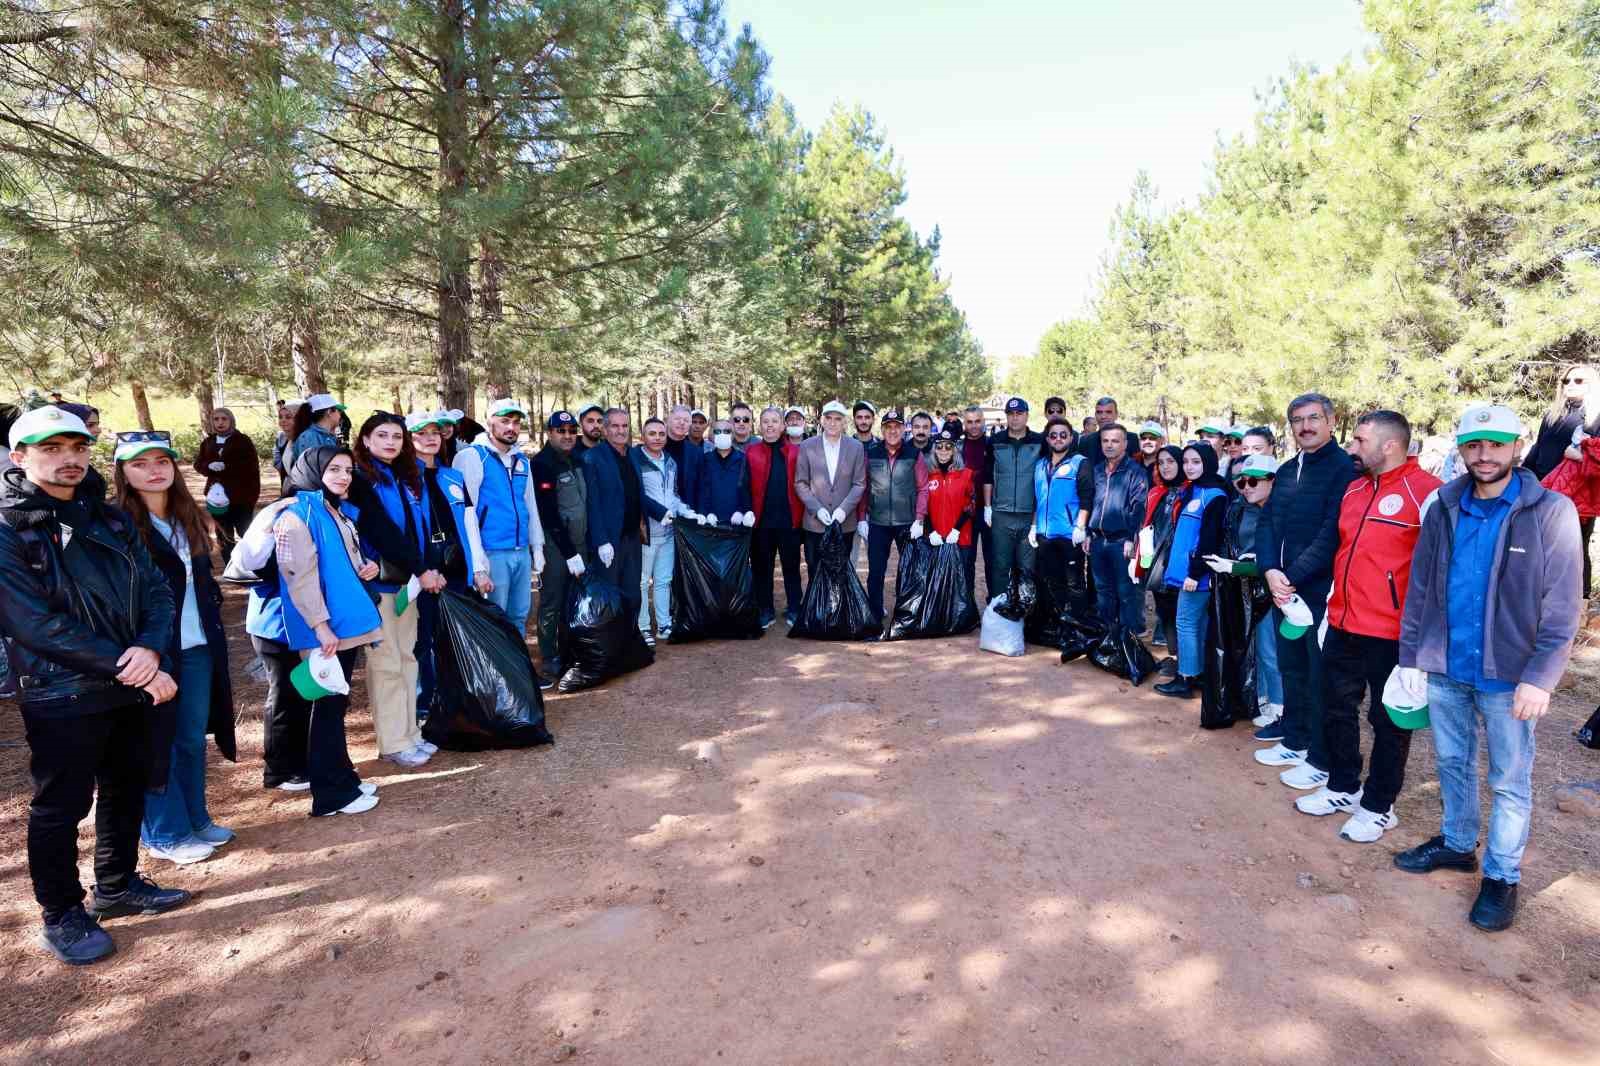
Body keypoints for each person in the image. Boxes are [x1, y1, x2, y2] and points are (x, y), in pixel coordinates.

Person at [0, 407, 188, 966]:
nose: (68, 459)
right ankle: (60, 911)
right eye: (51, 449)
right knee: (61, 804)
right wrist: (133, 666)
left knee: (126, 784)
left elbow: (157, 588)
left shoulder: (107, 516)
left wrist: (150, 650)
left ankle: (117, 883)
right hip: (60, 689)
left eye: (77, 448)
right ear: (20, 458)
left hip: (127, 679)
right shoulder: (10, 527)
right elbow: (31, 622)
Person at [1393, 403, 1582, 932]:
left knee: (1509, 780)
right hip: (1447, 665)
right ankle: (1457, 844)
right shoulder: (1444, 506)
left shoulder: (1550, 511)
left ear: (1516, 447)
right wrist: (1412, 656)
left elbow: (1563, 604)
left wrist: (1541, 677)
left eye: (1495, 445)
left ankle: (1501, 876)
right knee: (1452, 763)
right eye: (1474, 445)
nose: (1484, 455)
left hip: (1510, 675)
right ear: (1461, 449)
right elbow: (1422, 586)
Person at [1290, 411, 1442, 834]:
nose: (1351, 448)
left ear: (1390, 445)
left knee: (1387, 721)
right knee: (1336, 709)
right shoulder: (1354, 489)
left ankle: (1378, 805)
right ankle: (1343, 784)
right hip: (1342, 623)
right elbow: (1339, 550)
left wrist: (1423, 641)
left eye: (1359, 441)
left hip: (1393, 634)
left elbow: (1439, 571)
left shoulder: (1428, 493)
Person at [113, 433, 239, 866]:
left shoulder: (188, 517)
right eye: (140, 463)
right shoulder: (118, 524)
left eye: (161, 461)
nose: (154, 470)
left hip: (198, 644)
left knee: (189, 738)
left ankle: (196, 818)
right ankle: (164, 831)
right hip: (153, 652)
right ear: (123, 473)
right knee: (157, 741)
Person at [271, 445, 384, 817]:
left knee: (336, 705)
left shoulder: (330, 509)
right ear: (311, 470)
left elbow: (338, 561)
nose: (343, 476)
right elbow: (298, 577)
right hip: (324, 629)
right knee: (325, 709)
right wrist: (320, 626)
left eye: (348, 470)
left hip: (342, 624)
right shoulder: (296, 515)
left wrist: (365, 566)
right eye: (334, 469)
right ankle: (331, 793)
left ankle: (343, 778)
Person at [1253, 393, 1357, 772]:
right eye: (1298, 420)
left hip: (1317, 592)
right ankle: (1294, 738)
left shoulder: (1343, 469)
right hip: (1283, 593)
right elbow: (1267, 523)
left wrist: (1291, 577)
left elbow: (1332, 533)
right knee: (1291, 666)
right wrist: (1269, 569)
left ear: (1331, 421)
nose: (1306, 426)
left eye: (1314, 418)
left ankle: (1317, 751)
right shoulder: (1285, 470)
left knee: (1317, 674)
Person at [352, 413, 442, 769]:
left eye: (397, 436)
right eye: (382, 435)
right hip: (381, 584)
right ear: (366, 440)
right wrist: (421, 568)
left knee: (407, 658)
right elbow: (382, 531)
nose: (390, 442)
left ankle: (409, 732)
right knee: (386, 663)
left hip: (408, 583)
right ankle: (392, 740)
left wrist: (425, 568)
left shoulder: (403, 476)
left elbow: (418, 526)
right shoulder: (361, 478)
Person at [409, 411, 493, 711]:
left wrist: (479, 569)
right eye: (421, 433)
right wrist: (423, 570)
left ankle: (455, 699)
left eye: (435, 432)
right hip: (423, 577)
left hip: (456, 573)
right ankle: (424, 703)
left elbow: (470, 525)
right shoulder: (403, 480)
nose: (430, 438)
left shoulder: (451, 477)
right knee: (423, 642)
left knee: (453, 639)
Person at [452, 398, 547, 636]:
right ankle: (495, 673)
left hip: (520, 551)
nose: (511, 427)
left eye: (515, 422)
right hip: (491, 552)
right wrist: (476, 562)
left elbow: (530, 506)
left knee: (519, 615)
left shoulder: (522, 460)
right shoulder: (473, 456)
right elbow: (466, 513)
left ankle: (517, 670)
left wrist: (537, 547)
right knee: (494, 617)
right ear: (489, 422)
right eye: (504, 421)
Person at [1155, 443, 1230, 698]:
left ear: (1208, 462)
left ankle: (1185, 679)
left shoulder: (1215, 495)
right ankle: (1194, 673)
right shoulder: (1194, 491)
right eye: (1186, 461)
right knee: (1193, 625)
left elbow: (1210, 540)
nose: (1189, 467)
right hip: (1185, 573)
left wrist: (1195, 574)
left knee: (1186, 623)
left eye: (1196, 462)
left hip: (1197, 577)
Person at [1216, 453, 1285, 728]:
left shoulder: (1282, 512)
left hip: (1273, 592)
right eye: (1241, 482)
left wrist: (1237, 568)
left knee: (1270, 650)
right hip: (1246, 591)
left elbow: (1277, 559)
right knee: (1254, 647)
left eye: (1253, 481)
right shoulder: (1241, 508)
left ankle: (1280, 707)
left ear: (1273, 481)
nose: (1246, 487)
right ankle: (1264, 698)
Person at [1523, 363, 1600, 596]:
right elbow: (1538, 448)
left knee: (1574, 548)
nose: (1570, 385)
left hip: (1576, 495)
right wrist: (1522, 477)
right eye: (1566, 381)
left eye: (1578, 380)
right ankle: (1543, 601)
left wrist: (1576, 455)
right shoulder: (1553, 414)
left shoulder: (1595, 417)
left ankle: (1581, 604)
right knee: (1539, 546)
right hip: (1542, 488)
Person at [530, 411, 587, 682]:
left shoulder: (577, 458)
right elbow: (548, 514)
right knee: (552, 600)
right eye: (560, 431)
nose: (567, 436)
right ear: (550, 433)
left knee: (572, 599)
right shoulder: (542, 463)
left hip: (580, 543)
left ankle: (570, 649)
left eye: (570, 431)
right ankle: (550, 656)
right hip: (556, 547)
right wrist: (569, 552)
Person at [1081, 423, 1150, 636]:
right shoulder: (1097, 470)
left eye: (1115, 441)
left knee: (1127, 591)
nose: (1109, 445)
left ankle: (1132, 637)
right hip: (1098, 540)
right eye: (1105, 441)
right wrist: (1088, 533)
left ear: (1125, 444)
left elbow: (1138, 507)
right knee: (1103, 591)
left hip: (1122, 541)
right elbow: (1091, 502)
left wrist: (1131, 538)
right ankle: (1108, 636)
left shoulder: (1135, 472)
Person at [860, 410, 926, 624]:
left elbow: (923, 488)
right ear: (883, 430)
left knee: (909, 570)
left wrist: (919, 518)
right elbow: (863, 487)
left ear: (903, 429)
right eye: (888, 427)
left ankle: (907, 615)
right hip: (878, 523)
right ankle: (875, 615)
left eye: (897, 426)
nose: (893, 431)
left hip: (907, 522)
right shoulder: (871, 453)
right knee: (876, 571)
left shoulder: (913, 454)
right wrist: (862, 518)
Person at [633, 417, 695, 644]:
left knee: (664, 580)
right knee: (641, 581)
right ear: (643, 436)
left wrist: (684, 510)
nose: (657, 438)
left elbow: (673, 494)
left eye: (661, 434)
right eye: (652, 433)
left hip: (668, 533)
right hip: (646, 533)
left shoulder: (670, 461)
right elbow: (638, 497)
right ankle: (642, 627)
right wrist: (660, 512)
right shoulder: (634, 459)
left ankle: (664, 623)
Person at [584, 407, 648, 618]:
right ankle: (610, 644)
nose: (621, 431)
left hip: (632, 537)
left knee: (632, 593)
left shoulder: (633, 454)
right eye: (615, 426)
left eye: (625, 426)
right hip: (610, 540)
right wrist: (601, 541)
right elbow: (592, 503)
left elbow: (638, 494)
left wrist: (663, 512)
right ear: (605, 428)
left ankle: (630, 641)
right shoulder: (593, 457)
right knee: (609, 594)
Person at [1027, 417, 1088, 619]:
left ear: (1071, 437)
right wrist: (1034, 526)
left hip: (1070, 534)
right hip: (1046, 534)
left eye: (1063, 435)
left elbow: (1087, 497)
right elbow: (1038, 499)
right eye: (1053, 435)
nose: (1058, 438)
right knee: (1053, 582)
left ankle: (1079, 628)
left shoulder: (1080, 462)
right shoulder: (1040, 465)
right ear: (1047, 439)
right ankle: (1061, 625)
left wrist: (1080, 526)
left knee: (1074, 584)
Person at [794, 401, 867, 570]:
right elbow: (800, 482)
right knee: (815, 572)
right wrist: (817, 509)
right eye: (828, 418)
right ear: (822, 420)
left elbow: (859, 483)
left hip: (845, 523)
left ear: (844, 422)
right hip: (815, 524)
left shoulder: (856, 447)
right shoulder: (807, 446)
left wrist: (843, 510)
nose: (833, 422)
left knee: (841, 575)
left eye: (838, 419)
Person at [749, 407, 805, 628]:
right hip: (761, 523)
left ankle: (794, 608)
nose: (770, 425)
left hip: (789, 521)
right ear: (760, 426)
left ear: (783, 426)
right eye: (765, 422)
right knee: (762, 568)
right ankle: (765, 610)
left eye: (774, 421)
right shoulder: (752, 452)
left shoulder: (795, 452)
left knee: (791, 567)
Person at [1135, 445, 1187, 666]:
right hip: (1156, 562)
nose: (1165, 467)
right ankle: (1175, 657)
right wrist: (1143, 560)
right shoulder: (1157, 492)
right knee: (1164, 611)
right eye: (1161, 462)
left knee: (1181, 615)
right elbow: (1148, 527)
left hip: (1179, 563)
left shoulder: (1189, 492)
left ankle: (1187, 663)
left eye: (1171, 462)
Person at [985, 397, 1044, 589]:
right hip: (1001, 514)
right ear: (1006, 417)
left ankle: (1025, 614)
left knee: (1027, 568)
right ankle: (999, 612)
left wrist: (1037, 518)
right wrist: (987, 507)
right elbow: (988, 476)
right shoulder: (995, 441)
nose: (1015, 418)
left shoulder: (1039, 441)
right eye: (1011, 414)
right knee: (1001, 566)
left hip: (1028, 514)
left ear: (1027, 415)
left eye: (1019, 414)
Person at [193, 407, 261, 563]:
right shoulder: (208, 442)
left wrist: (227, 467)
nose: (220, 422)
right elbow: (198, 463)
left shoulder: (243, 440)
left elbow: (250, 466)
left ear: (231, 421)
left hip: (241, 496)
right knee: (223, 533)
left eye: (224, 419)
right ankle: (230, 564)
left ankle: (252, 564)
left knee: (245, 531)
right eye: (216, 419)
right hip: (216, 497)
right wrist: (209, 466)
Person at [917, 428, 978, 566]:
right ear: (934, 449)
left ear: (954, 451)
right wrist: (931, 531)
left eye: (948, 447)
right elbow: (922, 505)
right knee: (935, 583)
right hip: (934, 538)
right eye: (939, 447)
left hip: (959, 538)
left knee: (960, 582)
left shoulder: (966, 474)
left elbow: (971, 505)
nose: (943, 450)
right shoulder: (927, 475)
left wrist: (956, 530)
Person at [958, 405, 993, 596]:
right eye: (969, 422)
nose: (973, 426)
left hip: (990, 512)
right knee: (966, 560)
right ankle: (968, 605)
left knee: (992, 560)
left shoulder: (993, 444)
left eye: (977, 421)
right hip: (966, 514)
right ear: (964, 423)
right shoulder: (957, 447)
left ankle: (994, 603)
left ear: (983, 421)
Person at [692, 417, 754, 524]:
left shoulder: (743, 459)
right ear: (711, 435)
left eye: (727, 431)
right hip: (712, 524)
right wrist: (705, 513)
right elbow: (702, 489)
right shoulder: (705, 459)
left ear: (733, 434)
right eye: (717, 431)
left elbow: (748, 489)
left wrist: (742, 511)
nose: (722, 434)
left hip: (737, 522)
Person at [290, 394, 346, 467]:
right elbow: (312, 471)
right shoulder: (309, 437)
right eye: (339, 411)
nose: (340, 415)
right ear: (329, 412)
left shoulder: (327, 436)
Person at [663, 404, 704, 502]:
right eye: (677, 419)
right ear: (668, 420)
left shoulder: (696, 452)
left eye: (686, 420)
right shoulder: (656, 446)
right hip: (659, 512)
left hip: (688, 510)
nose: (682, 423)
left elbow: (701, 487)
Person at [1076, 396, 1120, 467]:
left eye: (1108, 412)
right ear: (1095, 415)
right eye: (1099, 412)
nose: (1103, 416)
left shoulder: (1131, 439)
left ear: (1116, 415)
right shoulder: (1085, 441)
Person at [273, 402, 300, 493]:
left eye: (288, 417)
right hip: (288, 489)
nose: (283, 420)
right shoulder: (283, 438)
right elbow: (278, 462)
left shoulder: (305, 440)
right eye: (280, 417)